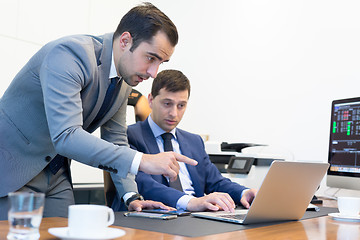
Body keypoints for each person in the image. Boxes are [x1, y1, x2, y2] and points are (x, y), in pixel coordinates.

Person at [0, 2, 197, 220]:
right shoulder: (68, 55)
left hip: (56, 174)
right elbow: (66, 136)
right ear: (125, 41)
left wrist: (132, 196)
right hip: (12, 169)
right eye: (151, 58)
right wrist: (143, 160)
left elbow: (117, 140)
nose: (153, 73)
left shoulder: (123, 82)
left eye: (162, 62)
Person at [120, 69, 257, 212]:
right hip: (157, 216)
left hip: (195, 218)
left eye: (181, 105)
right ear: (151, 100)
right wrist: (191, 202)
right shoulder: (128, 136)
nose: (174, 113)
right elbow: (143, 185)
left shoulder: (194, 141)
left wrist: (244, 193)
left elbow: (216, 182)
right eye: (167, 103)